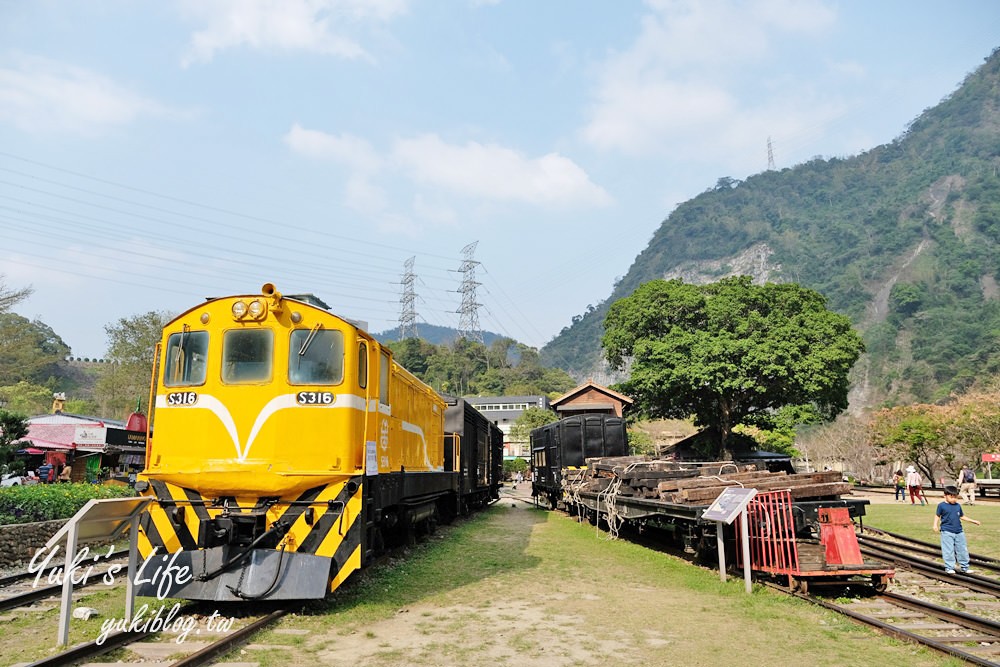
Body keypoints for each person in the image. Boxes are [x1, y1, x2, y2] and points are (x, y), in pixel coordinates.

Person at [933, 485, 981, 574]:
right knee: (948, 550)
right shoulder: (941, 506)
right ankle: (949, 567)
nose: (954, 499)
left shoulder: (957, 506)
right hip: (947, 531)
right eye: (951, 497)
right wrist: (935, 525)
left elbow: (962, 516)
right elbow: (937, 516)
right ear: (945, 496)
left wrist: (973, 521)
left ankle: (965, 567)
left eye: (955, 497)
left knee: (962, 549)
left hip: (959, 531)